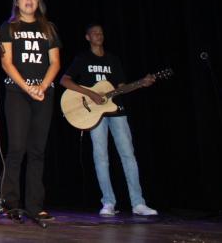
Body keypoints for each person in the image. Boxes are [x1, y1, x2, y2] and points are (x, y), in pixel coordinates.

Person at [60, 24, 158, 217]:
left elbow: (121, 87)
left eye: (101, 32)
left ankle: (138, 203)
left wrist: (140, 84)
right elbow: (65, 80)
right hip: (94, 114)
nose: (99, 35)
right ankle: (108, 202)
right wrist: (90, 93)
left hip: (117, 110)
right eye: (94, 33)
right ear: (87, 37)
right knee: (101, 157)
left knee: (128, 155)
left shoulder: (113, 59)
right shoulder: (82, 58)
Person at [0, 0, 61, 220]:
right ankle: (11, 204)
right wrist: (27, 88)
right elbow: (7, 63)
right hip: (17, 92)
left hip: (44, 93)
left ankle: (35, 205)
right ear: (17, 1)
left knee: (37, 150)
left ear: (38, 1)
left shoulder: (49, 28)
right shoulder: (9, 27)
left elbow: (55, 62)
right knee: (16, 148)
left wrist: (42, 87)